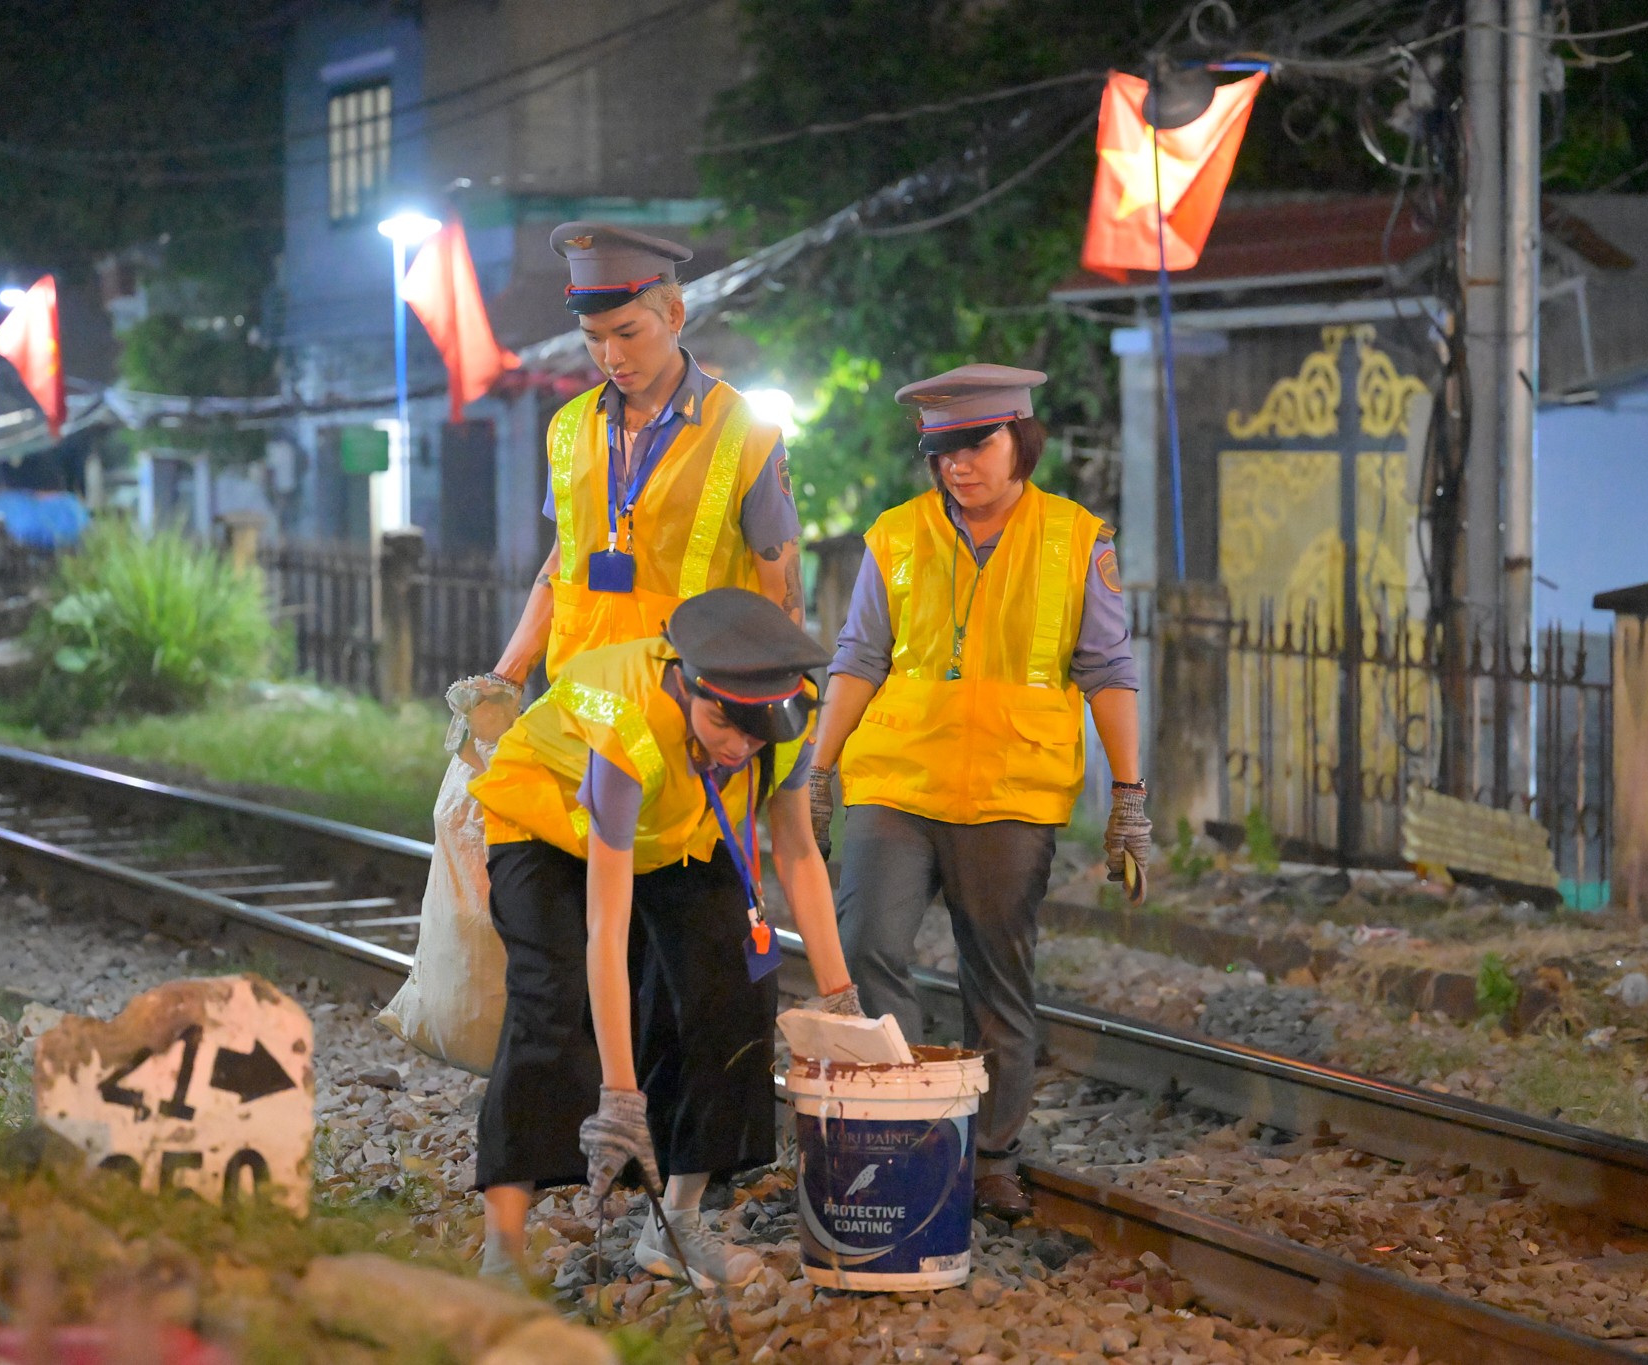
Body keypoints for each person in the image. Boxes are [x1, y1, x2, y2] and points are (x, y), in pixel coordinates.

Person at [807, 364, 1154, 1221]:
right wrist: (819, 770)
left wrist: (1130, 796)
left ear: (1020, 441)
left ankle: (992, 1154)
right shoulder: (894, 535)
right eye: (942, 449)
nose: (959, 464)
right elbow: (859, 656)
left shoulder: (1078, 540)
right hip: (896, 780)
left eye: (977, 443)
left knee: (997, 977)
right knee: (867, 947)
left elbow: (1108, 669)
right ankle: (910, 1132)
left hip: (1014, 790)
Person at [469, 587, 861, 1289]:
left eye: (758, 729)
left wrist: (840, 998)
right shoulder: (631, 722)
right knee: (551, 998)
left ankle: (675, 1224)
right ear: (686, 683)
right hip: (550, 824)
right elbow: (606, 926)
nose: (742, 744)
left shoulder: (781, 725)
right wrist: (620, 1094)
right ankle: (503, 1242)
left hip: (674, 827)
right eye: (725, 722)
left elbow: (798, 851)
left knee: (737, 992)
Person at [460, 222, 806, 727]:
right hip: (580, 711)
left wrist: (773, 720)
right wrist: (506, 678)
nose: (611, 357)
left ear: (674, 314)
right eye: (592, 338)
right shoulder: (568, 427)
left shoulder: (745, 431)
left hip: (690, 718)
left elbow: (781, 588)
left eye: (627, 333)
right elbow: (564, 561)